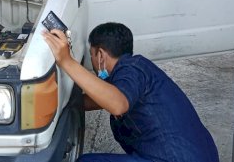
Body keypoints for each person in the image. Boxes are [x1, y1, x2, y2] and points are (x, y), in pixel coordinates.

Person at [42, 23, 220, 162]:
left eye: (92, 55)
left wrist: (66, 61)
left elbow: (117, 105)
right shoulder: (136, 72)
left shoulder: (131, 69)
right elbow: (94, 100)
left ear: (100, 55)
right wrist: (60, 101)